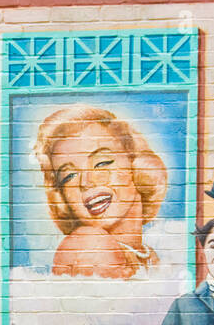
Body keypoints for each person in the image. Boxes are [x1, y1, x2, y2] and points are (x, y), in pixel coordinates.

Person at [33, 104, 168, 278]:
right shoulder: (90, 245)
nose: (86, 182)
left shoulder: (146, 253)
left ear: (134, 163)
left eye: (101, 163)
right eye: (69, 176)